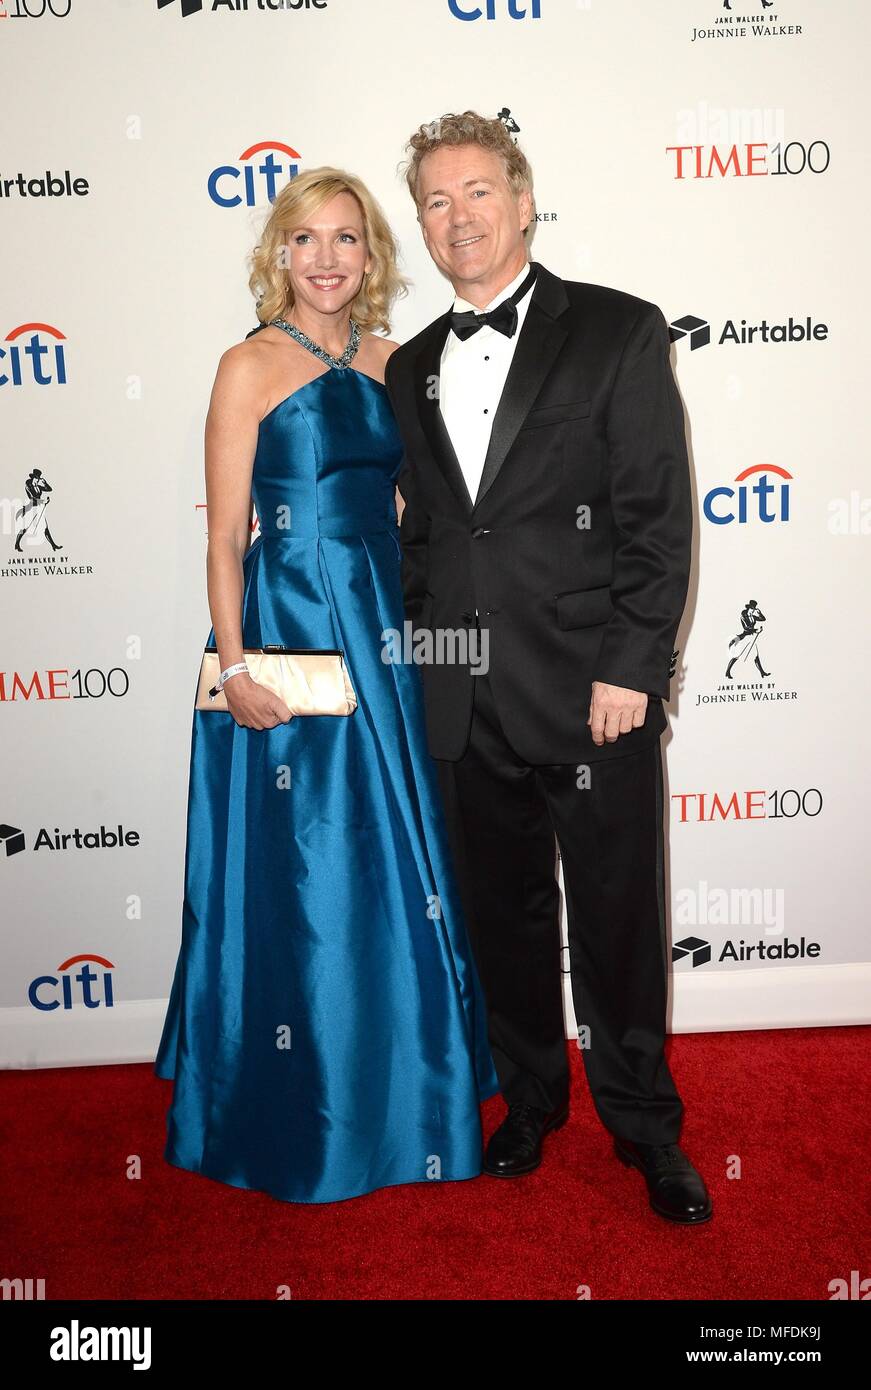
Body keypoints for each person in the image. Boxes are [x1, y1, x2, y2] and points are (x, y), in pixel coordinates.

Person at [383, 112, 712, 1223]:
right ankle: (528, 1097)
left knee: (617, 915)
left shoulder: (618, 331)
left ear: (523, 203)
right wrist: (434, 674)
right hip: (466, 697)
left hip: (593, 695)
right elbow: (428, 542)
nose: (458, 216)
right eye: (435, 199)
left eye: (478, 191)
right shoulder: (414, 366)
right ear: (420, 225)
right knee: (503, 915)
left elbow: (656, 519)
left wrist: (633, 666)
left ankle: (645, 1126)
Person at [154, 166, 498, 1205]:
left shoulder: (396, 363)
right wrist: (238, 664)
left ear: (371, 254)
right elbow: (221, 535)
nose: (327, 259)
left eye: (347, 238)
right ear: (278, 252)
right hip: (288, 637)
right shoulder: (247, 366)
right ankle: (300, 1095)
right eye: (306, 239)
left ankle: (409, 1084)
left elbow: (414, 513)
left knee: (395, 854)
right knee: (300, 863)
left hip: (383, 634)